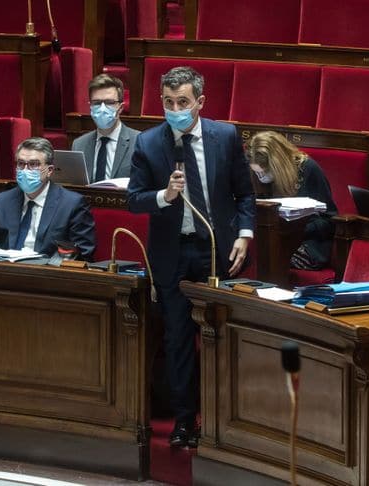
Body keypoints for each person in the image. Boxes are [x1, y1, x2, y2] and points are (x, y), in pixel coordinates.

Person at [128, 66, 255, 448]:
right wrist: (164, 197)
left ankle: (225, 421)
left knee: (221, 338)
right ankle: (186, 422)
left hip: (217, 251)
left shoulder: (226, 136)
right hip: (172, 254)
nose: (175, 109)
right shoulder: (149, 143)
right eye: (168, 102)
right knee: (179, 340)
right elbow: (134, 200)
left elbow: (244, 195)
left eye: (182, 102)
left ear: (200, 102)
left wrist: (245, 235)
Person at [0, 137, 96, 260]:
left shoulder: (72, 204)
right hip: (7, 272)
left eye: (33, 164)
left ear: (49, 170)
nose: (25, 170)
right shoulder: (1, 202)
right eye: (21, 164)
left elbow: (83, 253)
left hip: (48, 274)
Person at [247, 130, 338, 269]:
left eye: (264, 172)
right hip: (271, 239)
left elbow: (329, 219)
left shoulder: (308, 169)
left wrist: (296, 230)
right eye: (257, 173)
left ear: (278, 166)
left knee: (270, 261)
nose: (261, 178)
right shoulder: (255, 175)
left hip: (307, 241)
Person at [71, 74, 139, 183]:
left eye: (109, 102)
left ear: (120, 107)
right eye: (97, 103)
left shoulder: (139, 142)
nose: (102, 109)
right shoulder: (79, 144)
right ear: (90, 106)